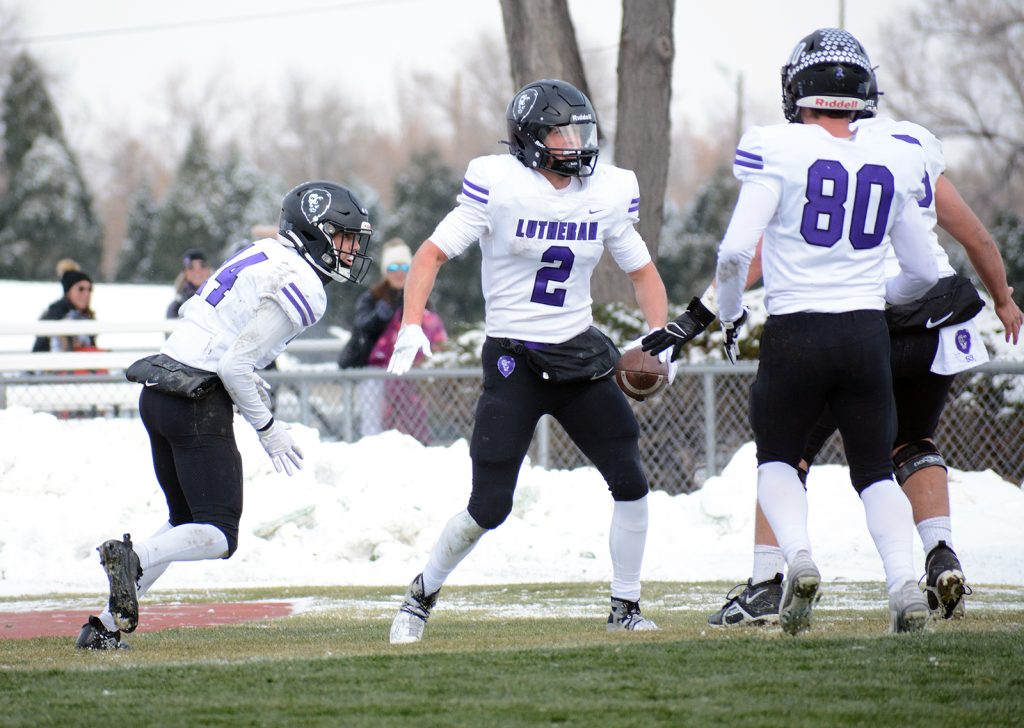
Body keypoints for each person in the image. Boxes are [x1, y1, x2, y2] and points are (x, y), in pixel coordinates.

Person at [646, 77, 1024, 629]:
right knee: (909, 445)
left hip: (839, 320)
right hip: (930, 319)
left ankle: (768, 583)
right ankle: (937, 554)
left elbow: (745, 253)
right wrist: (1004, 300)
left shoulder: (794, 149)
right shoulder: (909, 145)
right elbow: (975, 238)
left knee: (786, 455)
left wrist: (707, 313)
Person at [385, 78, 672, 644]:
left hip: (579, 356)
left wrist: (659, 338)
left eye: (581, 131)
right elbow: (431, 255)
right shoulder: (500, 185)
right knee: (489, 506)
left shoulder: (608, 190)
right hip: (514, 361)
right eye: (562, 132)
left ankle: (626, 605)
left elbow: (642, 272)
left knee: (631, 481)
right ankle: (421, 595)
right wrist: (411, 322)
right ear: (531, 138)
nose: (576, 143)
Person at [75, 181, 374, 650]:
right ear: (313, 233)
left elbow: (210, 323)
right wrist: (268, 428)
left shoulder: (262, 252)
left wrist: (246, 373)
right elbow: (234, 365)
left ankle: (104, 628)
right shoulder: (304, 283)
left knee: (184, 522)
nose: (351, 250)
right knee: (219, 533)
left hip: (160, 388)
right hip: (195, 400)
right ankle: (134, 558)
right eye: (343, 237)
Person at [358, 239, 447, 441]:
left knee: (413, 418)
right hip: (377, 370)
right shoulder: (373, 298)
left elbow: (434, 332)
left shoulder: (421, 297)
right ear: (385, 271)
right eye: (393, 267)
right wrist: (379, 317)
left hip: (412, 373)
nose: (398, 272)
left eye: (404, 267)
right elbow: (361, 329)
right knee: (374, 425)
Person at [32, 260, 97, 353]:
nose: (86, 294)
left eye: (89, 289)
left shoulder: (87, 316)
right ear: (68, 291)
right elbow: (39, 351)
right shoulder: (55, 314)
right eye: (81, 289)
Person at [166, 248, 212, 319]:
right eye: (191, 267)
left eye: (202, 265)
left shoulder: (224, 300)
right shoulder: (176, 308)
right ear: (185, 272)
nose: (197, 271)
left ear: (209, 269)